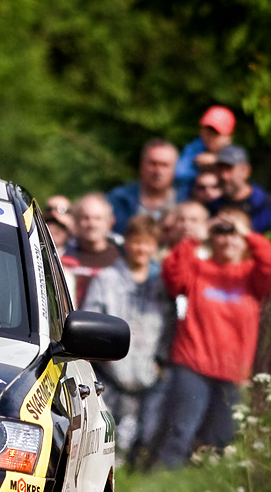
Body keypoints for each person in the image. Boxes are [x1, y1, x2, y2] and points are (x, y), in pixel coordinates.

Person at [152, 208, 271, 469]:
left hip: (233, 372)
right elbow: (172, 276)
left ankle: (200, 490)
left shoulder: (253, 276)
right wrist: (195, 239)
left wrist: (246, 233)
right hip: (193, 365)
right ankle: (160, 484)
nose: (227, 239)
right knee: (180, 432)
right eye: (221, 232)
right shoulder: (198, 268)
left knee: (221, 440)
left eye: (234, 234)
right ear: (211, 238)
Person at [80, 215, 173, 465]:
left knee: (144, 434)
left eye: (148, 243)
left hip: (147, 371)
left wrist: (161, 360)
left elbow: (169, 325)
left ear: (155, 246)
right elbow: (93, 319)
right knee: (106, 433)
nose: (141, 248)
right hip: (111, 371)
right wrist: (103, 357)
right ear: (127, 243)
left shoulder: (162, 284)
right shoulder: (106, 279)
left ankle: (135, 469)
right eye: (136, 242)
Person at [106, 138, 179, 235]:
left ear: (174, 169)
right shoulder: (119, 199)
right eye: (153, 164)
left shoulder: (184, 202)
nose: (158, 171)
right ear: (142, 165)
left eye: (164, 165)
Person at [61, 192, 122, 306]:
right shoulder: (62, 257)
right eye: (85, 218)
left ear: (110, 222)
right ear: (76, 222)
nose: (92, 224)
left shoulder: (122, 258)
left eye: (98, 218)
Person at [175, 105, 235, 194]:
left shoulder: (236, 155)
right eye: (207, 130)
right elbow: (179, 174)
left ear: (228, 137)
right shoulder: (193, 148)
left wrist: (218, 161)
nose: (210, 136)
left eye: (216, 133)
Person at [212, 145, 271, 233]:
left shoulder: (265, 204)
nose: (224, 176)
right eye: (220, 169)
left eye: (229, 169)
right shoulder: (213, 205)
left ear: (246, 171)